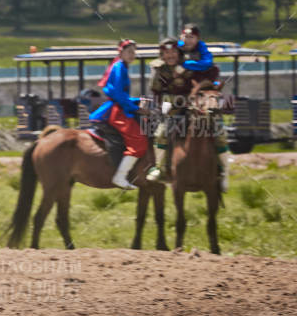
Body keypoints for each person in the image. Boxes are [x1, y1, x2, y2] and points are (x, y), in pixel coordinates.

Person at [178, 23, 230, 192]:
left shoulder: (206, 58)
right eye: (185, 36)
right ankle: (161, 168)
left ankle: (224, 173)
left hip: (203, 102)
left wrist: (185, 65)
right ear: (181, 37)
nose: (188, 40)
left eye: (191, 37)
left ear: (197, 38)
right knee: (163, 131)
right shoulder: (174, 52)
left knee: (219, 133)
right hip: (179, 101)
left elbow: (211, 75)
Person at [88, 39, 146, 189]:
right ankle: (120, 176)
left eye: (134, 52)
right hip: (117, 111)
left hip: (118, 106)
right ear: (121, 53)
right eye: (129, 52)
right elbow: (118, 95)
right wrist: (135, 107)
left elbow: (121, 95)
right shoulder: (120, 67)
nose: (132, 54)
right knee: (139, 141)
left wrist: (137, 101)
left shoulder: (120, 66)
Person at [145, 39, 189, 183]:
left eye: (173, 52)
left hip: (190, 106)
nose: (170, 55)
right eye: (166, 52)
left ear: (179, 53)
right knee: (161, 134)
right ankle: (160, 168)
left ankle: (219, 168)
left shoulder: (188, 66)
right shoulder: (159, 69)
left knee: (212, 129)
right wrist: (164, 105)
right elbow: (156, 92)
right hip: (168, 109)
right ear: (162, 55)